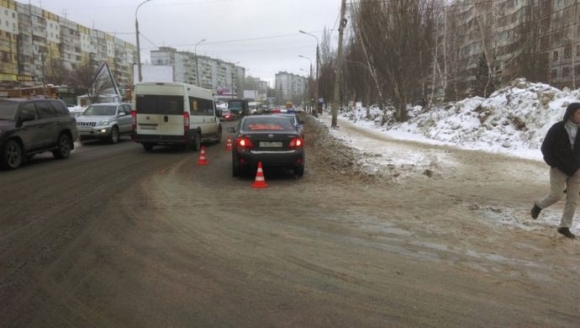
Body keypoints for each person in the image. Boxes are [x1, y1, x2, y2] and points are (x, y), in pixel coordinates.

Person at [531, 102, 580, 239]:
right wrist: (552, 163)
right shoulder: (557, 128)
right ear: (571, 114)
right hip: (559, 168)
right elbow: (545, 147)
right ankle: (539, 206)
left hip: (576, 169)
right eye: (579, 113)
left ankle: (564, 226)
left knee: (573, 199)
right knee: (556, 195)